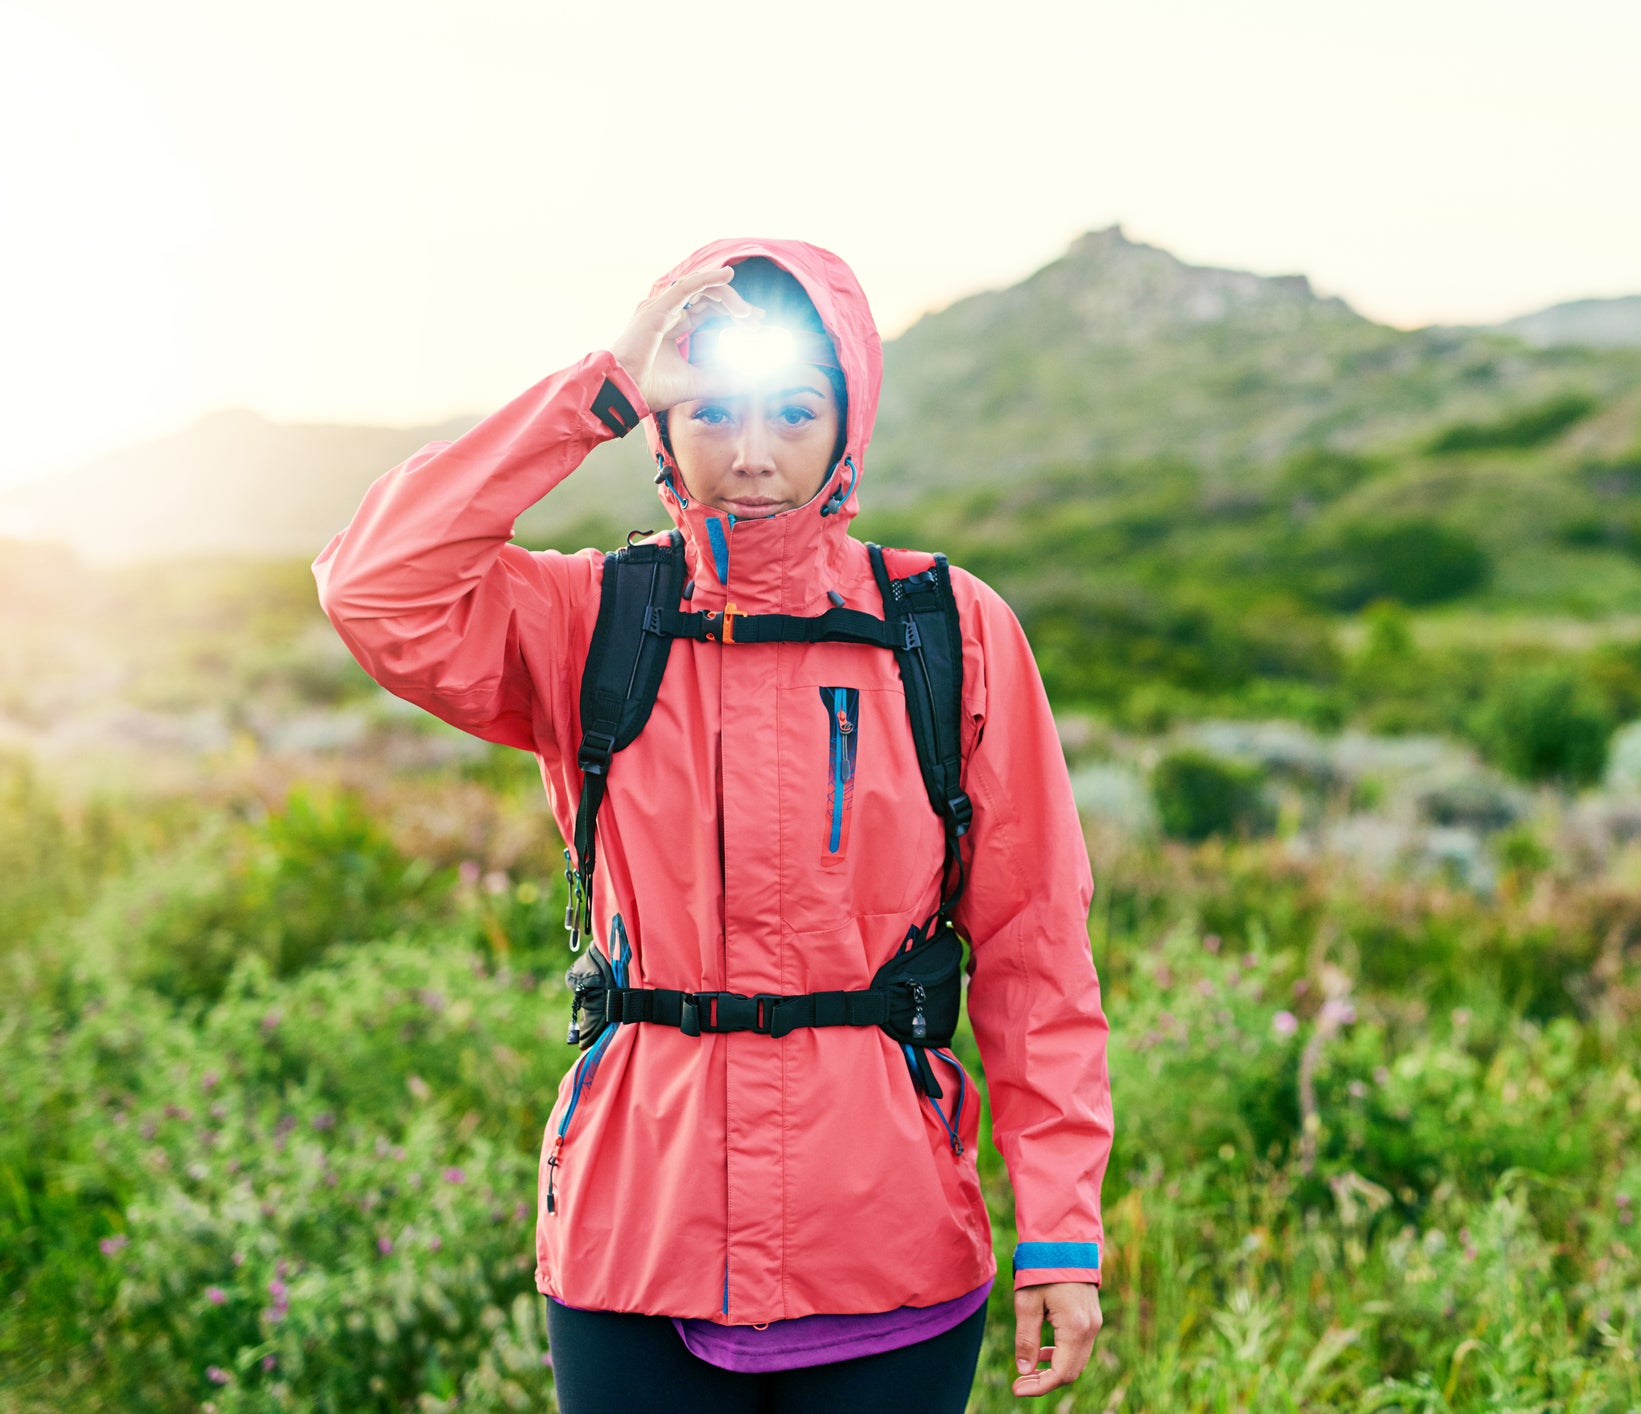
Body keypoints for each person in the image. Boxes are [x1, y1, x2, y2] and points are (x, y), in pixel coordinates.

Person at [312, 238, 1114, 1413]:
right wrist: (600, 386)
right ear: (663, 423)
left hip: (889, 1245)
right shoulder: (587, 617)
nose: (751, 454)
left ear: (848, 422)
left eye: (794, 412)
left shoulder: (949, 627)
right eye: (712, 411)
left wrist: (1060, 1230)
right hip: (634, 1241)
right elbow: (375, 583)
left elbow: (1035, 947)